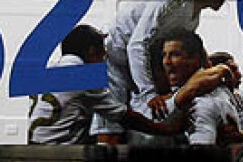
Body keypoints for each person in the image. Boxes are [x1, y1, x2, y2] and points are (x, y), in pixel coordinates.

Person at [95, 0, 237, 141]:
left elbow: (189, 47)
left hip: (138, 66)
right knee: (112, 124)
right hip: (114, 61)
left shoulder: (193, 15)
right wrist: (149, 93)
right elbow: (137, 45)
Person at [28, 25, 224, 145]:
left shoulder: (49, 70)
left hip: (34, 146)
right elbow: (126, 118)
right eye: (102, 54)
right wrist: (170, 130)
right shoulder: (82, 77)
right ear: (90, 51)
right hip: (61, 151)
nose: (104, 61)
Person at [156, 29, 243, 146]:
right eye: (164, 55)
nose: (166, 61)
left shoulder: (200, 105)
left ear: (196, 59)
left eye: (175, 54)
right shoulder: (221, 89)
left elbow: (201, 157)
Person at [207, 51, 243, 134]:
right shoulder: (220, 99)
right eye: (233, 70)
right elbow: (233, 135)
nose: (239, 75)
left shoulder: (237, 93)